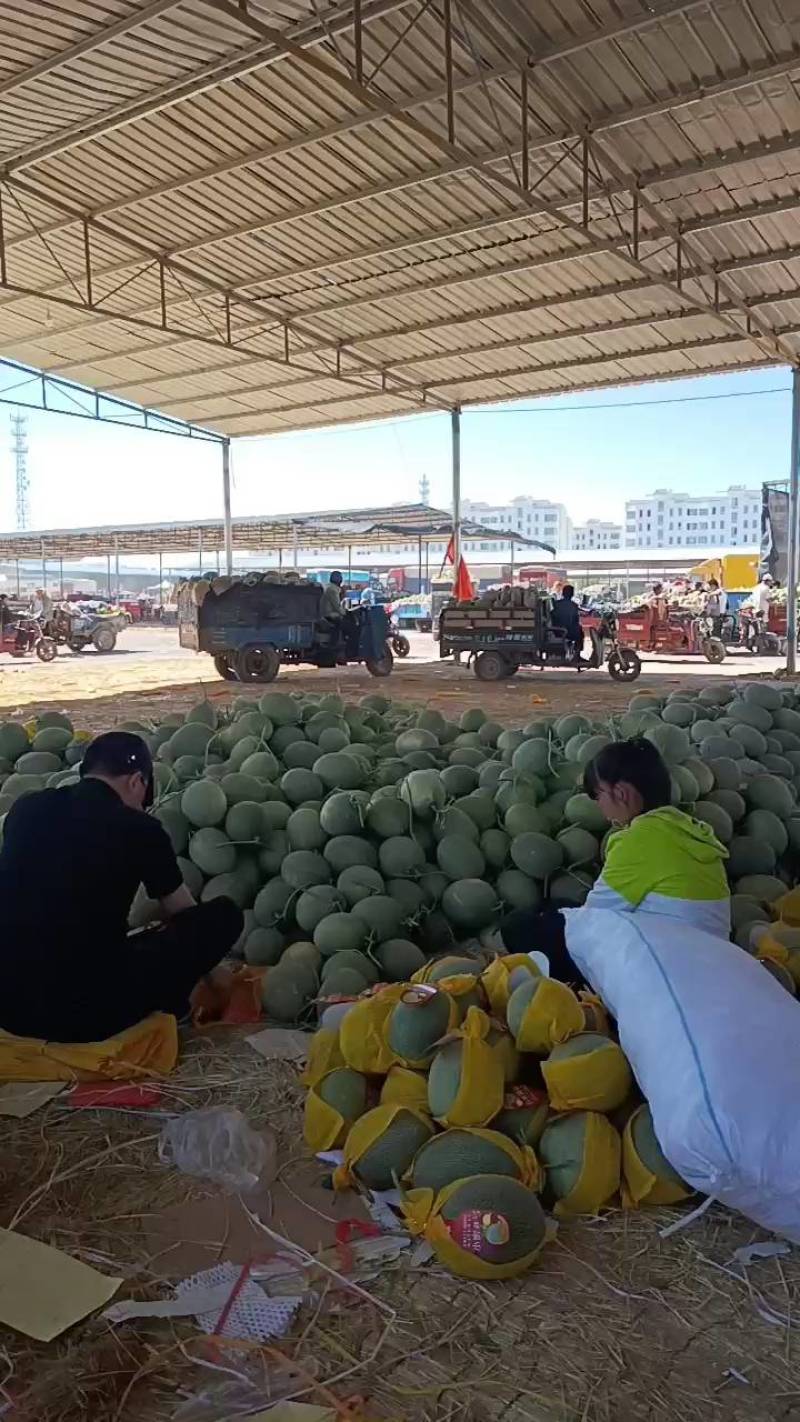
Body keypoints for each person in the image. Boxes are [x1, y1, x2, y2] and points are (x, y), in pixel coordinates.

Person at [0, 732, 243, 1043]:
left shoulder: (25, 809)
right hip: (80, 1016)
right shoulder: (140, 829)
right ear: (136, 782)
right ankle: (172, 1002)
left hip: (8, 1008)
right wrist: (210, 970)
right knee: (221, 916)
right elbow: (185, 913)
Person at [487, 737, 730, 985]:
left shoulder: (639, 840)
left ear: (621, 793)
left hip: (666, 972)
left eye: (597, 795)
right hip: (705, 956)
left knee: (520, 928)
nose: (599, 806)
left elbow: (592, 920)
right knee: (556, 906)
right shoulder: (684, 827)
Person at [550, 583, 584, 664]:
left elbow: (552, 617)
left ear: (562, 593)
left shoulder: (556, 604)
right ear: (572, 594)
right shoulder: (574, 606)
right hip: (569, 632)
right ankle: (577, 655)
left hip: (556, 631)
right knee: (580, 633)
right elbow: (576, 621)